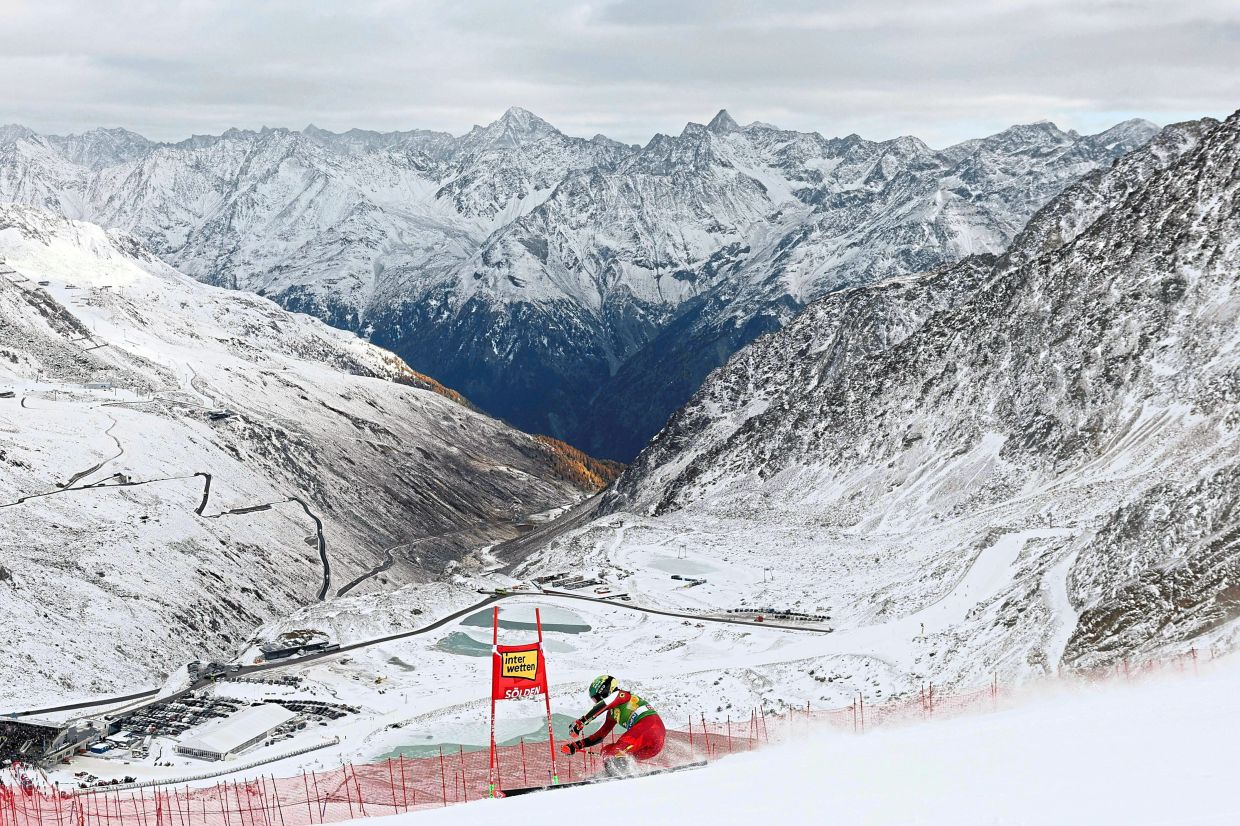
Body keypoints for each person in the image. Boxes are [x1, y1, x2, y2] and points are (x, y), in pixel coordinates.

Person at [561, 675, 666, 770]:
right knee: (606, 751)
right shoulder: (612, 714)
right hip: (651, 746)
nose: (597, 701)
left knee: (615, 753)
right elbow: (600, 735)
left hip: (650, 727)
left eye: (597, 698)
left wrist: (581, 722)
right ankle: (622, 775)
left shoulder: (621, 695)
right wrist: (577, 745)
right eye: (594, 700)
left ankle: (617, 774)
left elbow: (603, 704)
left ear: (606, 691)